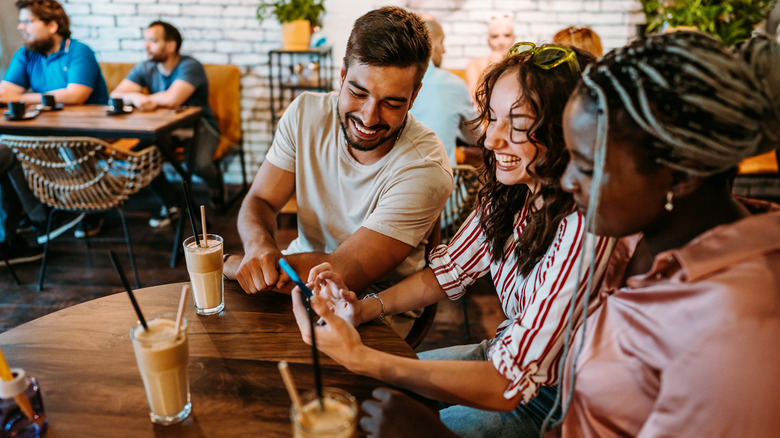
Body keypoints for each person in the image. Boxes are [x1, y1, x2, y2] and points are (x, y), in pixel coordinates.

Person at [292, 44, 614, 437]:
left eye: (516, 124)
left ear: (570, 131)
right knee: (360, 398)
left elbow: (506, 387)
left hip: (554, 402)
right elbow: (448, 271)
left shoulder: (584, 226)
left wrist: (363, 358)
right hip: (501, 355)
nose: (492, 140)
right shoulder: (516, 191)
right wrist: (363, 310)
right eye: (492, 118)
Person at [556, 31, 780, 436]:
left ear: (683, 173)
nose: (566, 181)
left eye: (587, 167)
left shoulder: (734, 327)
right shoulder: (635, 238)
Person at [223, 7, 453, 336]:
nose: (370, 118)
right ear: (342, 75)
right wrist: (259, 245)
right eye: (358, 93)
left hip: (377, 309)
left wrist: (231, 262)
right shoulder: (305, 113)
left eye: (392, 102)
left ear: (414, 96)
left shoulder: (425, 167)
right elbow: (261, 198)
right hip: (292, 275)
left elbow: (342, 273)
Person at [0, 0, 107, 260]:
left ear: (52, 25)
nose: (20, 26)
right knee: (6, 149)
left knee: (6, 151)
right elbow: (5, 92)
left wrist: (26, 97)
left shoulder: (79, 51)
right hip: (41, 134)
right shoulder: (25, 55)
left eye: (28, 21)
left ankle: (38, 219)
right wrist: (38, 97)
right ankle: (34, 219)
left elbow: (76, 94)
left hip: (84, 137)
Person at [110, 20, 221, 228]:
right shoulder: (145, 67)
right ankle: (172, 202)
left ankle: (215, 186)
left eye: (152, 41)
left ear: (171, 46)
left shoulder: (190, 66)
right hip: (163, 129)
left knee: (199, 166)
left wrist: (145, 98)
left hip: (200, 126)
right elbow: (116, 95)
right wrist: (137, 98)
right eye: (146, 40)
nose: (146, 46)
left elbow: (173, 99)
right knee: (141, 156)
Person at [410, 14, 478, 165]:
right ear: (432, 44)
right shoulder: (453, 84)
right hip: (443, 184)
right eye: (442, 42)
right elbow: (477, 137)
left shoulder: (396, 81)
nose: (444, 50)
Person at [465, 13, 515, 97]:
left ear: (514, 38)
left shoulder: (523, 63)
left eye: (507, 35)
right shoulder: (474, 65)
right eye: (495, 36)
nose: (501, 41)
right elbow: (476, 100)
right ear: (488, 41)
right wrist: (494, 65)